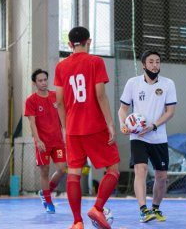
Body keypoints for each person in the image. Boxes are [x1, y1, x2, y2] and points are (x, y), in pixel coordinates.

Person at [54, 26, 120, 229]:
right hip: (94, 125)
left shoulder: (61, 66)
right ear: (88, 42)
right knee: (113, 169)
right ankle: (97, 208)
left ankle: (77, 222)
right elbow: (100, 94)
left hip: (73, 128)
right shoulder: (95, 62)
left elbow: (59, 100)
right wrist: (110, 122)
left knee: (73, 173)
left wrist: (65, 129)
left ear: (69, 45)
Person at [118, 50, 177, 223]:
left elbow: (170, 112)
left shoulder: (168, 84)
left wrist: (153, 126)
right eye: (151, 62)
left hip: (158, 137)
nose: (155, 65)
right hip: (138, 137)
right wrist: (123, 123)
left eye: (158, 62)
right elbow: (123, 108)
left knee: (161, 177)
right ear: (144, 65)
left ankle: (156, 209)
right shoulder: (133, 83)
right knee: (141, 170)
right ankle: (143, 209)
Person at [24, 69, 67, 214]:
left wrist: (65, 134)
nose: (43, 83)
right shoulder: (31, 100)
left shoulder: (56, 97)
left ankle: (45, 191)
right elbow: (32, 122)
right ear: (35, 83)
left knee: (62, 168)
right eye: (40, 80)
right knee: (45, 170)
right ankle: (48, 201)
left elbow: (64, 117)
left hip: (58, 141)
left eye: (45, 80)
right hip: (43, 142)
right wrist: (38, 140)